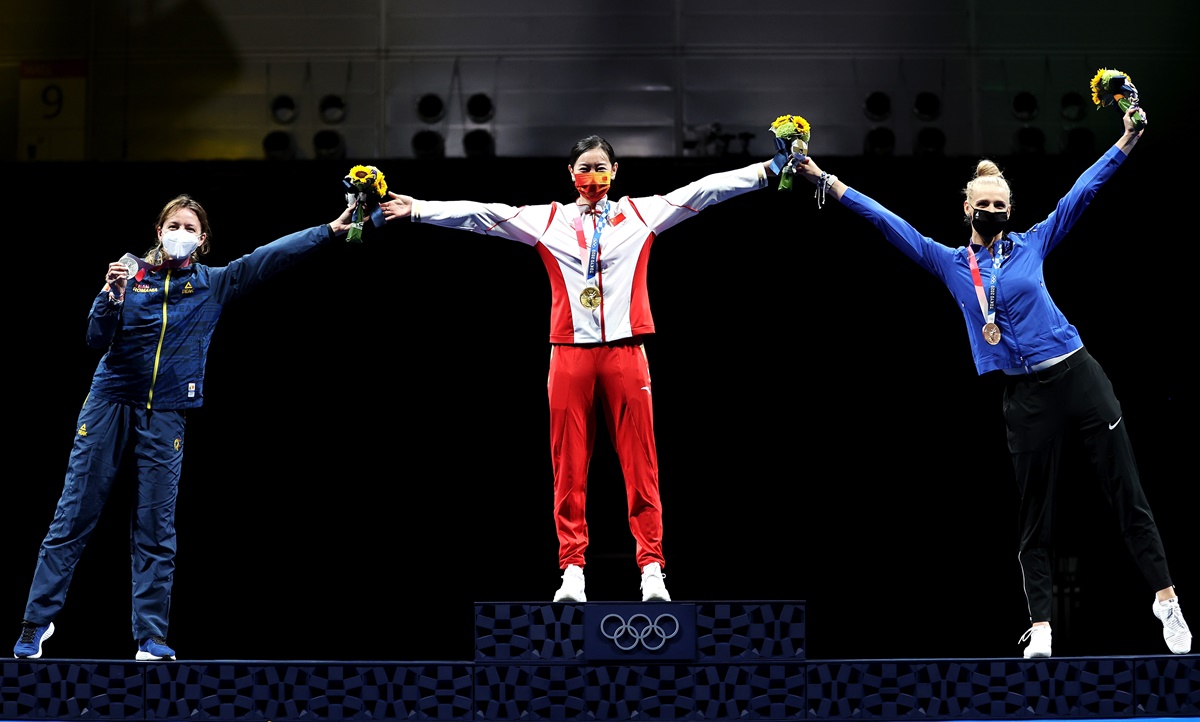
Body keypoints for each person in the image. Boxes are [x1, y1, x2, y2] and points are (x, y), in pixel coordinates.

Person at [790, 106, 1190, 658]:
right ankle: (1042, 625)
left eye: (1002, 206)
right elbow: (886, 220)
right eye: (985, 206)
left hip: (1077, 374)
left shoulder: (1032, 243)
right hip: (1026, 397)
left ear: (1010, 209)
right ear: (967, 208)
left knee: (1126, 489)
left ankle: (1165, 598)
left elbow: (1083, 190)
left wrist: (1126, 140)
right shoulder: (950, 262)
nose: (994, 211)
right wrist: (823, 179)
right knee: (1035, 512)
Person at [376, 135, 783, 603]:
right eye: (584, 168)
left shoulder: (642, 212)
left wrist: (766, 172)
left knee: (641, 462)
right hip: (569, 353)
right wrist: (421, 209)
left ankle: (652, 569)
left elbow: (704, 190)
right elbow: (481, 213)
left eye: (601, 167)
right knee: (568, 465)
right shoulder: (548, 220)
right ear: (570, 174)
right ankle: (572, 570)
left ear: (616, 171)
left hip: (627, 351)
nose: (593, 177)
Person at [13, 193, 357, 661]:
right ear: (159, 231)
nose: (179, 233)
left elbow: (270, 256)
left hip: (168, 412)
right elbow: (96, 339)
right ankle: (36, 623)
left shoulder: (213, 284)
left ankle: (150, 638)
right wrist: (110, 296)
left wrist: (330, 230)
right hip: (109, 404)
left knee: (155, 527)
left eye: (189, 227)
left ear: (202, 240)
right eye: (172, 225)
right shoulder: (130, 275)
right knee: (73, 515)